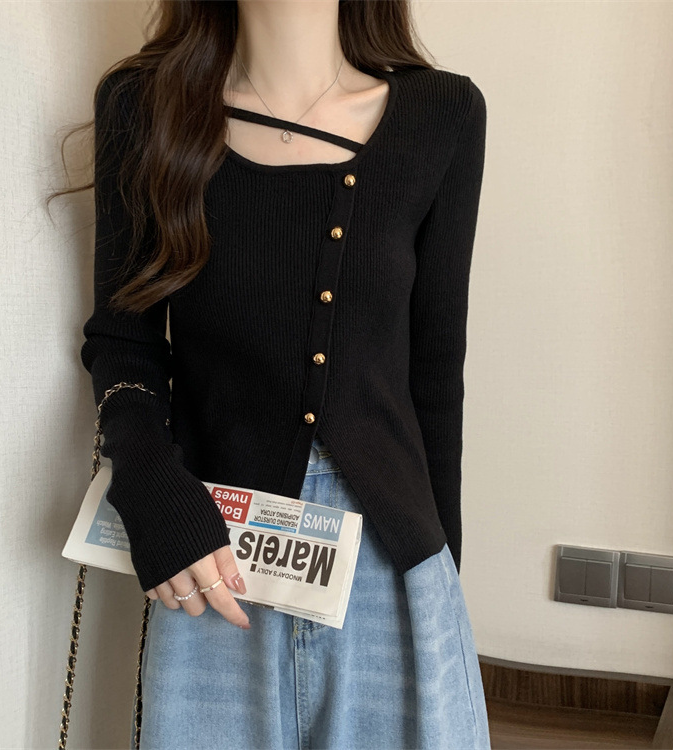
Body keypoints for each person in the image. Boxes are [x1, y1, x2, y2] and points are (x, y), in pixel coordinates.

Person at [79, 1, 489, 747]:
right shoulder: (141, 106)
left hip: (388, 560)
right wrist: (148, 483)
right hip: (215, 549)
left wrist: (443, 584)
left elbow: (436, 374)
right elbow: (122, 338)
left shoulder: (444, 114)